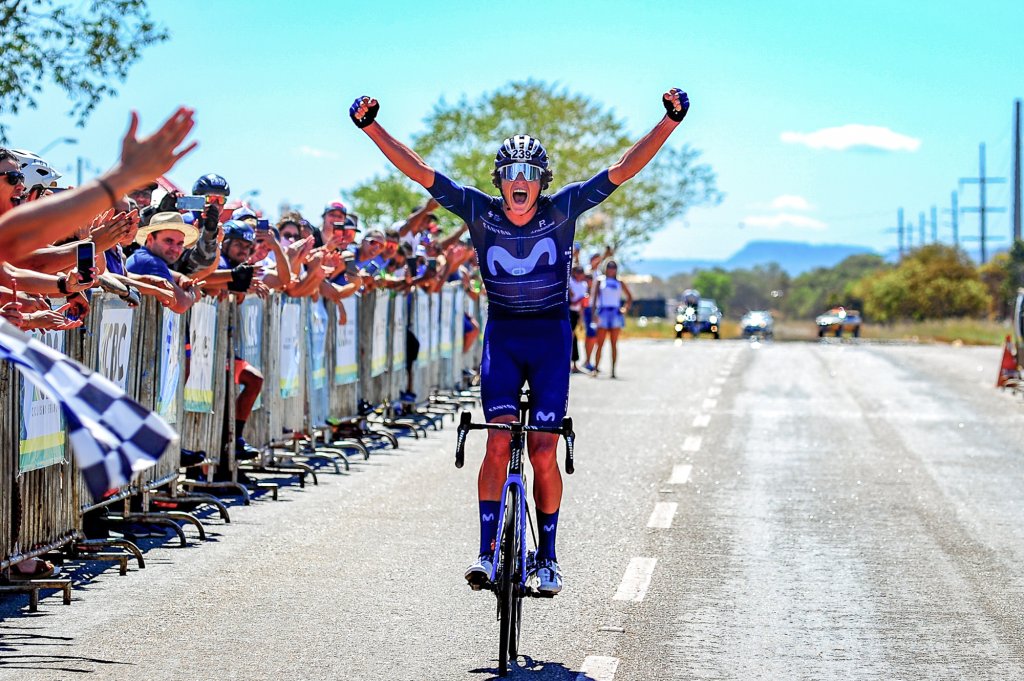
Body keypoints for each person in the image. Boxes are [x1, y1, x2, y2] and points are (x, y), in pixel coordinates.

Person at [350, 86, 690, 594]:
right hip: (504, 336)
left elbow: (623, 169)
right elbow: (419, 171)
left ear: (541, 182)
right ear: (500, 181)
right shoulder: (478, 210)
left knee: (544, 451)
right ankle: (487, 553)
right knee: (497, 442)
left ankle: (548, 558)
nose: (520, 181)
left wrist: (668, 122)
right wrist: (372, 127)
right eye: (511, 173)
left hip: (551, 337)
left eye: (530, 173)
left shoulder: (564, 208)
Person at [590, 260, 633, 379]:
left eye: (613, 267)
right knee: (600, 343)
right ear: (606, 268)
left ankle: (613, 371)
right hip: (603, 312)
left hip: (615, 313)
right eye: (609, 267)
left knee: (614, 343)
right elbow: (594, 299)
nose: (611, 269)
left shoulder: (619, 282)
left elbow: (629, 297)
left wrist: (625, 309)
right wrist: (593, 314)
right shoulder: (600, 280)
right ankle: (595, 368)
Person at [568, 266, 588, 373]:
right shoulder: (570, 282)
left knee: (574, 338)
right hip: (569, 311)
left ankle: (574, 363)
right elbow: (572, 297)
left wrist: (581, 317)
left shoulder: (584, 285)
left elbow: (582, 303)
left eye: (581, 272)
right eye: (578, 272)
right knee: (570, 337)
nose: (579, 274)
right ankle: (568, 362)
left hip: (576, 313)